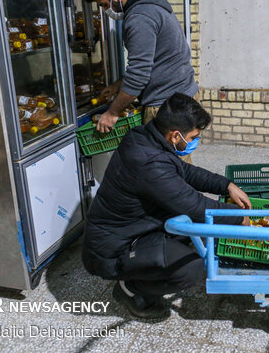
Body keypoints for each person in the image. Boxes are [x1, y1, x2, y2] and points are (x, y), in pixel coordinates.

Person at [82, 93, 251, 319]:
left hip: (132, 227)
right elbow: (195, 206)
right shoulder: (149, 163)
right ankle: (130, 291)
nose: (194, 141)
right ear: (175, 135)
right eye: (193, 136)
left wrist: (226, 185)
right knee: (189, 269)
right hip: (112, 249)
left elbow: (185, 172)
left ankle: (145, 270)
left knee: (191, 235)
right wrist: (238, 217)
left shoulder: (146, 137)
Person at [84, 0, 199, 162]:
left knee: (165, 170)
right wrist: (118, 86)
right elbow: (154, 60)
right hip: (181, 95)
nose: (105, 11)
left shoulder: (139, 17)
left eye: (104, 5)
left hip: (166, 105)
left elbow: (139, 74)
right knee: (178, 165)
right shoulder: (152, 4)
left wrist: (112, 112)